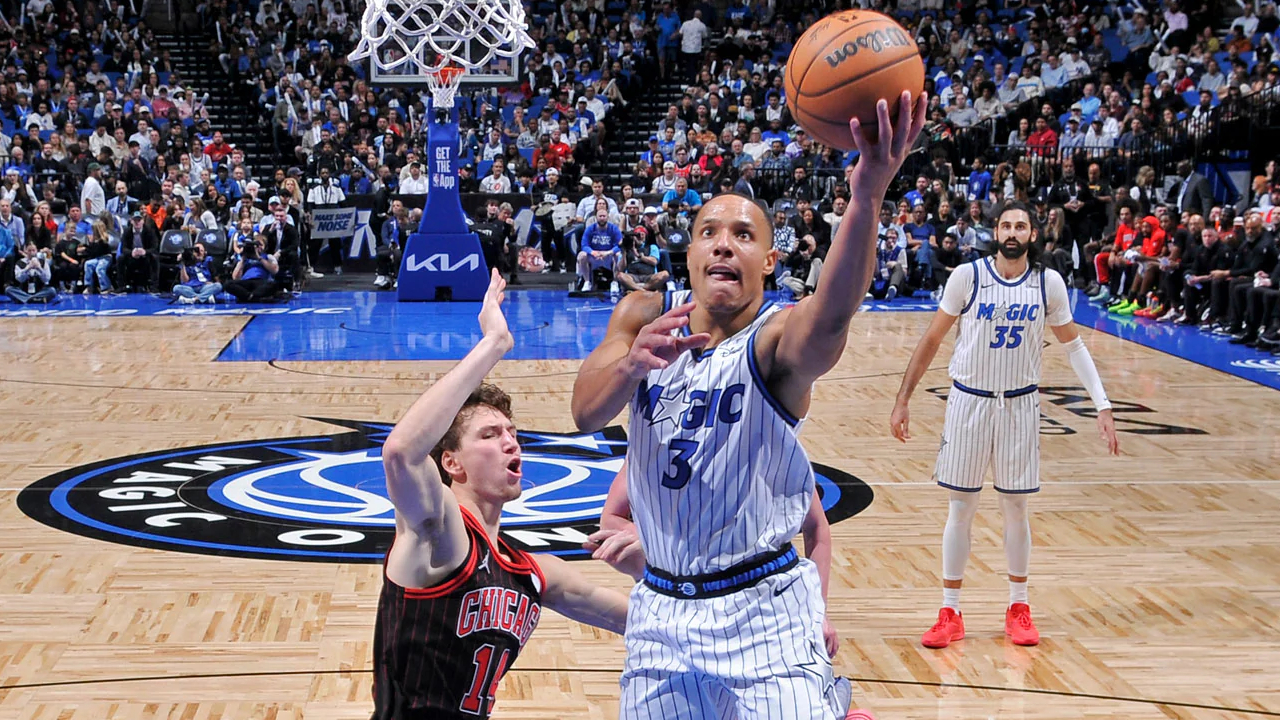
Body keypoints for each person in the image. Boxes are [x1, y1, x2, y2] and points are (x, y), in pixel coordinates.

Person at [570, 93, 926, 719]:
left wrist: (866, 196)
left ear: (769, 258)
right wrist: (632, 363)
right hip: (662, 611)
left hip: (763, 611)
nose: (724, 245)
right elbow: (585, 412)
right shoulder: (644, 315)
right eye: (709, 232)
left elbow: (833, 314)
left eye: (743, 235)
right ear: (689, 254)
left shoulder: (773, 339)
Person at [372, 271, 630, 719]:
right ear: (451, 463)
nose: (511, 442)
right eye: (490, 435)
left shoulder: (529, 573)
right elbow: (400, 452)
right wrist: (494, 342)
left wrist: (651, 566)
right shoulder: (441, 536)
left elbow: (646, 622)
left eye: (512, 433)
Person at [888, 201, 1121, 651]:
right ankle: (950, 609)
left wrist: (1103, 404)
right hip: (969, 403)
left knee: (1016, 509)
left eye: (1021, 226)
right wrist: (903, 399)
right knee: (962, 509)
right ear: (994, 230)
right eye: (1006, 225)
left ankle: (1018, 605)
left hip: (1018, 405)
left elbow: (1074, 348)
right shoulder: (967, 277)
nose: (1012, 232)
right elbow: (932, 339)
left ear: (1033, 234)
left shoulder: (1047, 283)